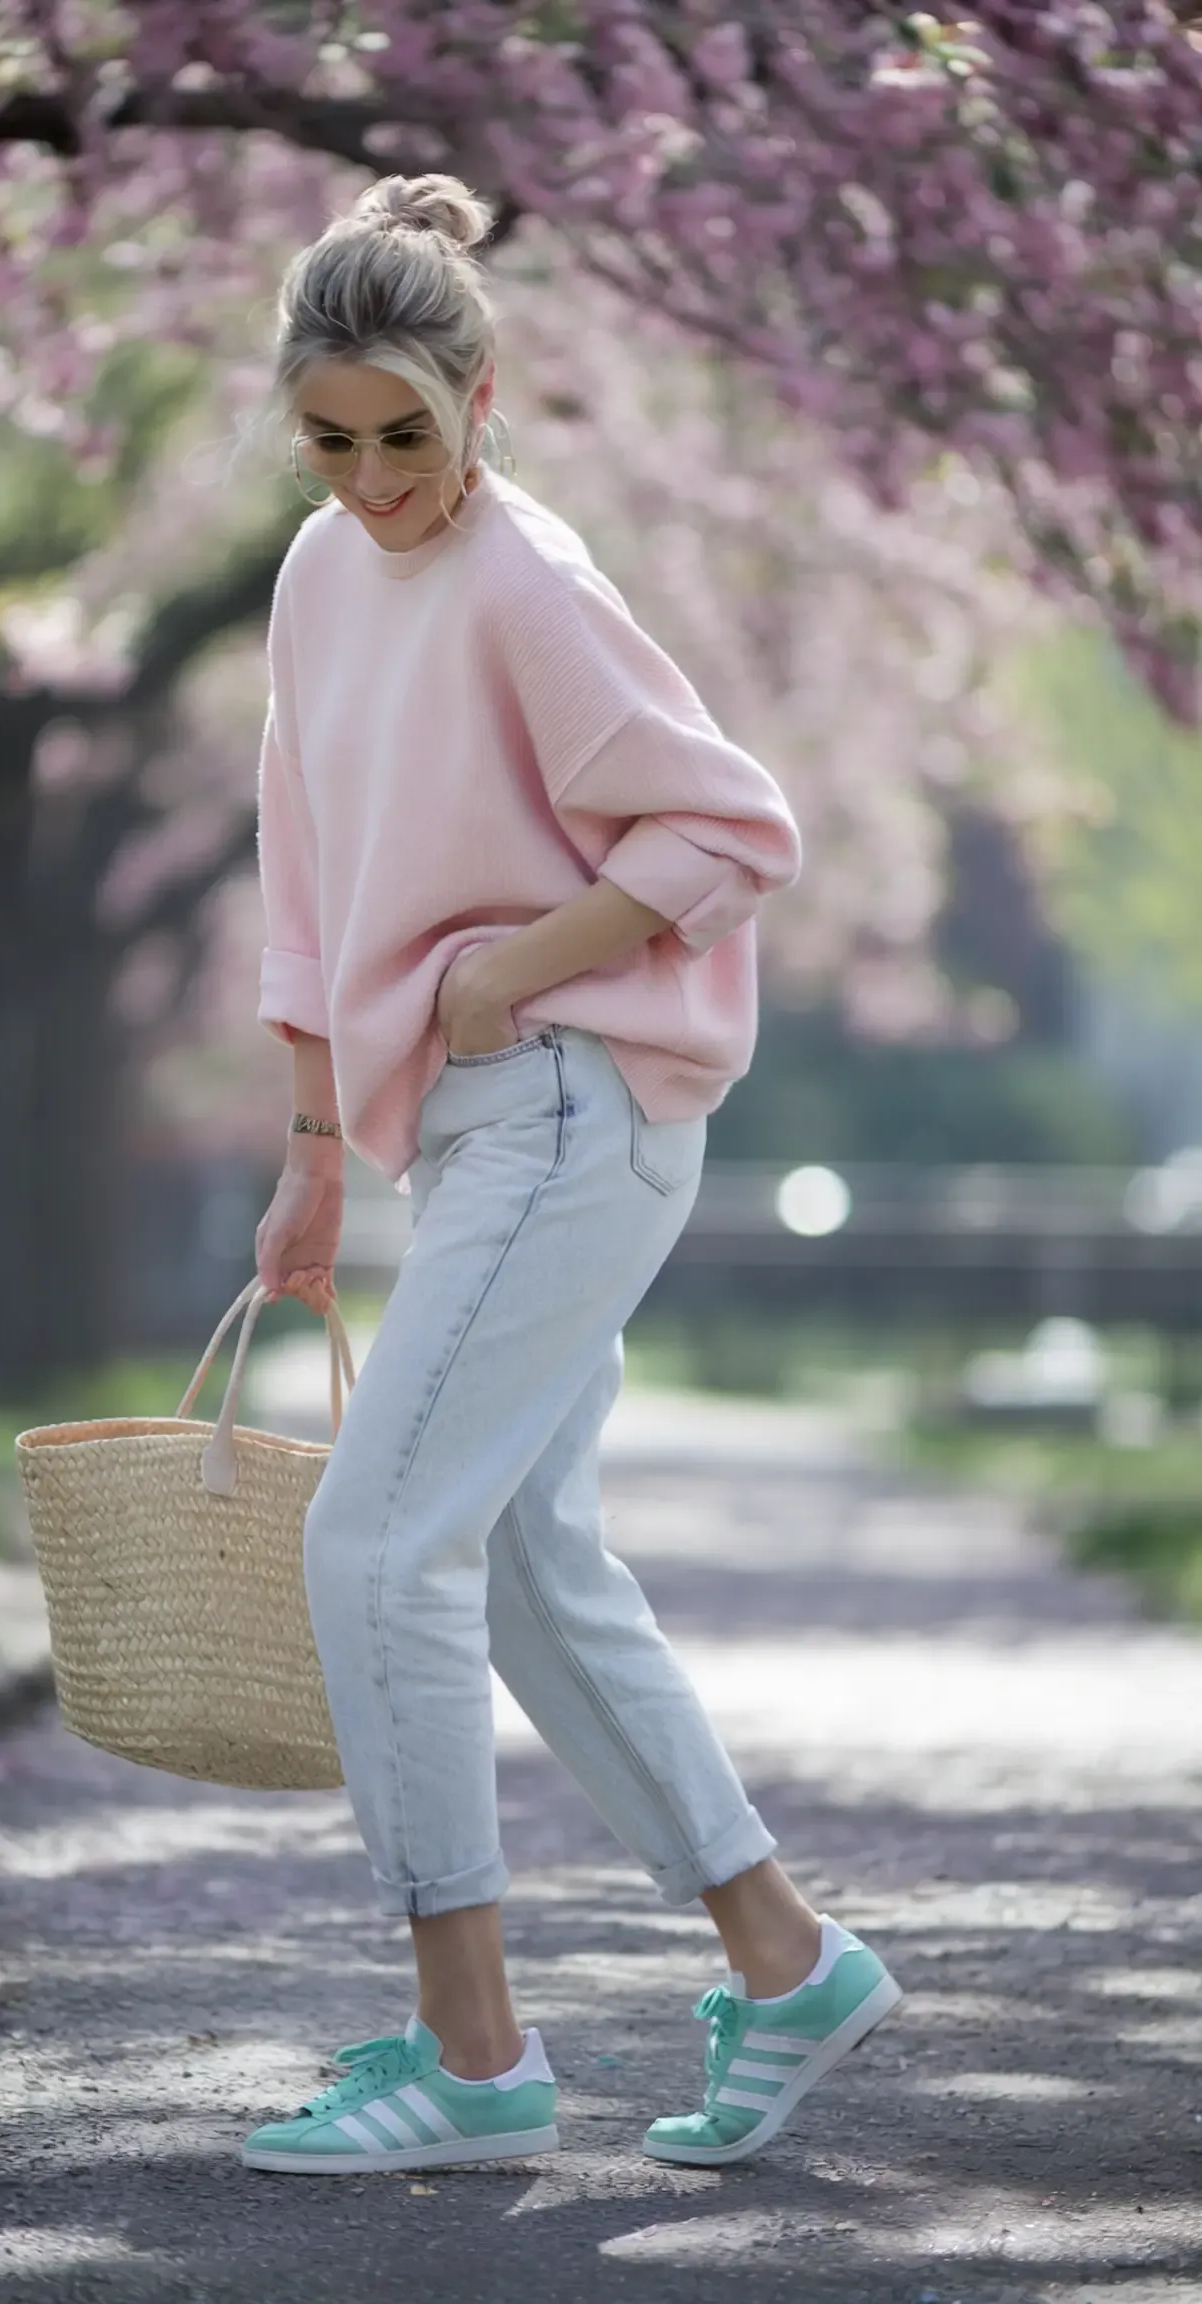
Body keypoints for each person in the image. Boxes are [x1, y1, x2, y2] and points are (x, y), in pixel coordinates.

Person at [242, 173, 900, 2178]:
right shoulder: (315, 576)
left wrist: (506, 977)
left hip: (571, 1109)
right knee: (526, 1568)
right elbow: (301, 874)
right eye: (333, 440)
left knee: (371, 1546)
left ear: (483, 397)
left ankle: (476, 2058)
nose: (373, 481)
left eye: (407, 439)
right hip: (464, 1133)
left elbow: (735, 827)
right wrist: (310, 1158)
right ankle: (787, 1967)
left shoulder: (524, 575)